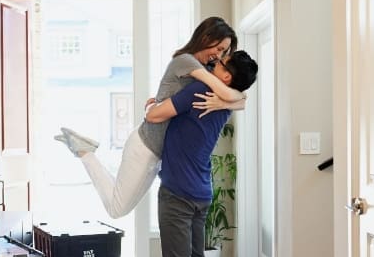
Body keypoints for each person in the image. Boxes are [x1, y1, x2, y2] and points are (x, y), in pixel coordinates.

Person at [55, 17, 246, 219]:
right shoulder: (186, 62)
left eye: (224, 52)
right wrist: (226, 98)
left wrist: (223, 103)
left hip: (156, 153)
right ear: (206, 37)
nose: (219, 56)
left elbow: (243, 100)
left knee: (119, 202)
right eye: (219, 48)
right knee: (116, 209)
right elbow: (226, 90)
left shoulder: (205, 67)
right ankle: (85, 151)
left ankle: (84, 149)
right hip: (145, 146)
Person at [145, 50, 258, 257]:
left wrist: (151, 107)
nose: (213, 63)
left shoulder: (202, 89)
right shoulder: (229, 101)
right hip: (200, 192)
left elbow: (155, 115)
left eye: (219, 63)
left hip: (177, 192)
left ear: (226, 76)